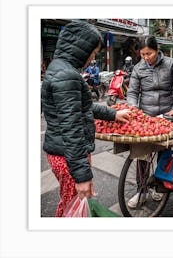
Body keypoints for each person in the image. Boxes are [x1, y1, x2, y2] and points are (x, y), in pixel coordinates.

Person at [41, 20, 130, 217]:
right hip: (67, 156)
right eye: (93, 52)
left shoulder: (59, 68)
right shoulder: (68, 76)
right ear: (82, 48)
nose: (92, 59)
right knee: (73, 208)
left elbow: (83, 108)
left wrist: (113, 114)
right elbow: (72, 129)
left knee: (69, 204)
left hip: (62, 153)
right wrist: (82, 176)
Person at [126, 36, 173, 208]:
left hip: (166, 116)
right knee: (141, 155)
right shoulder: (138, 68)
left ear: (157, 49)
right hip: (145, 117)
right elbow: (132, 92)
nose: (146, 58)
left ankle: (159, 187)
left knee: (164, 153)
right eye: (143, 54)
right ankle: (142, 189)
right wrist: (134, 109)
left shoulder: (171, 64)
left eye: (149, 53)